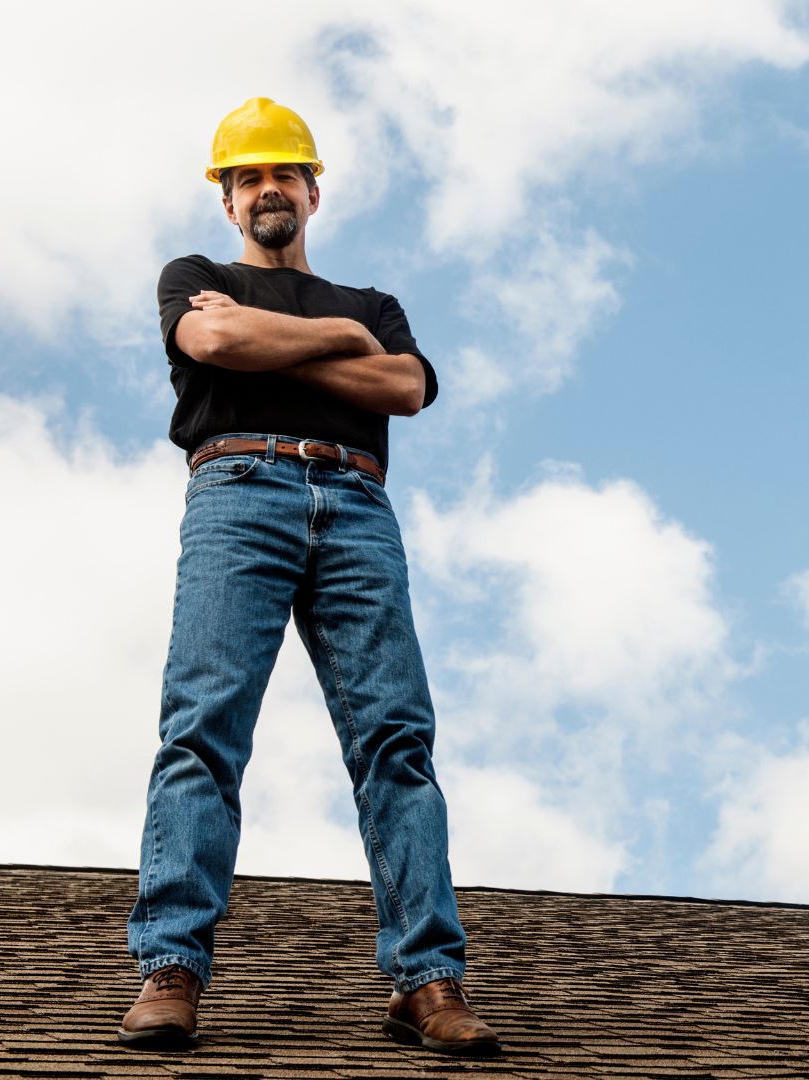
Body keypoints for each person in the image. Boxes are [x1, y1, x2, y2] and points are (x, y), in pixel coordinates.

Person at [119, 97, 500, 1058]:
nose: (267, 189)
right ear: (228, 201)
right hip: (238, 487)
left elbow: (405, 388)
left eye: (283, 173)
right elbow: (211, 345)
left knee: (396, 742)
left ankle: (429, 983)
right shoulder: (197, 280)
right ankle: (171, 970)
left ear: (313, 189)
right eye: (248, 177)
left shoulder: (373, 303)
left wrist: (287, 338)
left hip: (358, 502)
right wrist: (340, 346)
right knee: (203, 729)